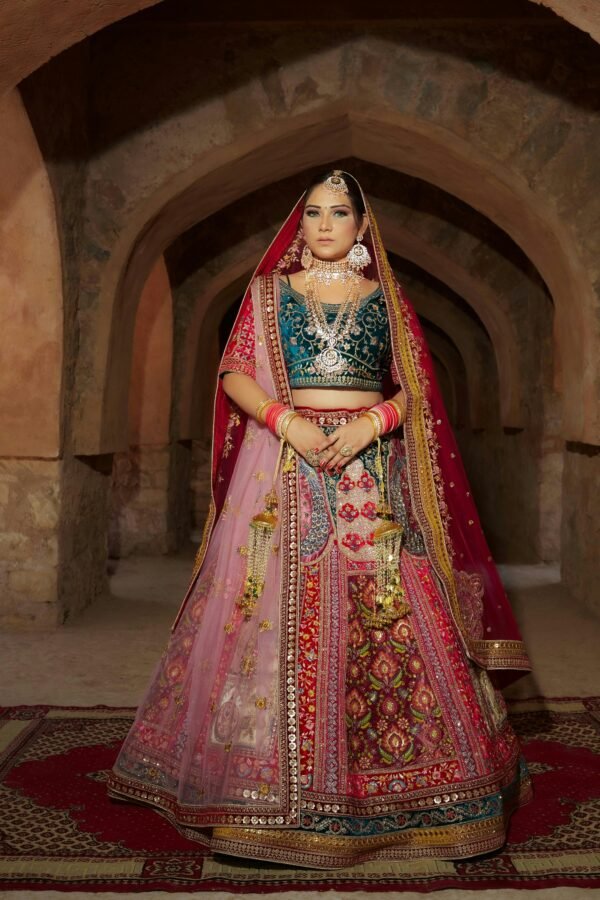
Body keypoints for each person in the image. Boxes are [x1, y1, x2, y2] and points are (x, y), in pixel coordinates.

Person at [107, 169, 532, 868]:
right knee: (269, 611)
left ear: (364, 228)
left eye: (340, 214)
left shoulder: (385, 299)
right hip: (288, 470)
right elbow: (235, 371)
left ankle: (412, 792)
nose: (326, 225)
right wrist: (286, 423)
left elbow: (416, 391)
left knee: (390, 610)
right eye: (313, 214)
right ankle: (267, 794)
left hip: (369, 473)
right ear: (299, 226)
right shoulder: (270, 294)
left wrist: (371, 423)